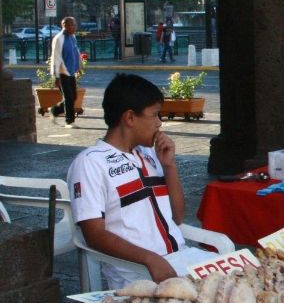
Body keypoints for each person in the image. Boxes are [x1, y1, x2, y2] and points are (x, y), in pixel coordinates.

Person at [67, 73, 216, 289]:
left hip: (180, 259)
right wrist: (149, 258)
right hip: (138, 273)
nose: (159, 123)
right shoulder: (90, 163)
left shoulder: (149, 154)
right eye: (155, 115)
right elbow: (94, 235)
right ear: (129, 118)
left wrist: (169, 166)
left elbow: (178, 216)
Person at [49, 17, 82, 129]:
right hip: (62, 73)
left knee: (73, 96)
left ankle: (54, 110)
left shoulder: (73, 37)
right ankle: (69, 121)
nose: (74, 27)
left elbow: (75, 52)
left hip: (71, 71)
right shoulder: (58, 39)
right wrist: (56, 76)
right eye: (72, 25)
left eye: (75, 25)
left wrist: (79, 66)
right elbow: (55, 57)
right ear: (64, 25)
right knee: (68, 97)